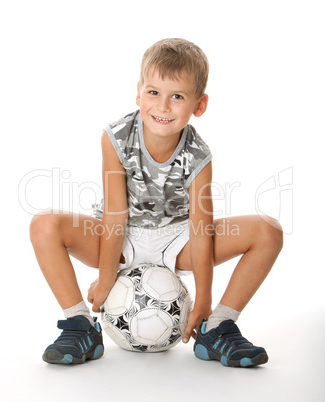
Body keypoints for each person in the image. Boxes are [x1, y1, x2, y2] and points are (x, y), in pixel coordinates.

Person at [30, 38, 283, 367]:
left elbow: (201, 227)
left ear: (199, 105)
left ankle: (217, 328)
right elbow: (115, 213)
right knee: (44, 225)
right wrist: (107, 278)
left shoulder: (198, 155)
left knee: (268, 232)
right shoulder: (116, 136)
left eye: (177, 96)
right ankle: (81, 326)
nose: (163, 106)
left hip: (178, 240)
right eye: (153, 93)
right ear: (138, 94)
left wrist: (203, 298)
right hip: (122, 238)